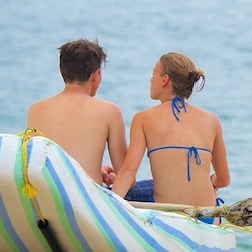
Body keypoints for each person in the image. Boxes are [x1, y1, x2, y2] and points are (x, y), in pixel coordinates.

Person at [111, 52, 230, 211]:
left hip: (171, 217)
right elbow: (223, 179)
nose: (150, 79)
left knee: (123, 190)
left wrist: (109, 206)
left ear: (164, 79)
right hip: (207, 217)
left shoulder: (143, 118)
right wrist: (211, 182)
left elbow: (128, 172)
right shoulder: (212, 119)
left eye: (153, 74)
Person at [26, 38, 127, 186]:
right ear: (96, 74)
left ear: (62, 71)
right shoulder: (110, 112)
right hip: (85, 202)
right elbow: (125, 173)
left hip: (44, 198)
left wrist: (94, 169)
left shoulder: (35, 109)